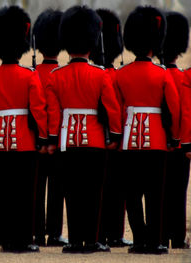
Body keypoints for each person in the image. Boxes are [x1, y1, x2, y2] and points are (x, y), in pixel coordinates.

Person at [46, 5, 122, 254]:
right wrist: (115, 136)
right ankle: (93, 239)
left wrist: (53, 139)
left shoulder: (56, 76)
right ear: (91, 44)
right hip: (96, 141)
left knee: (72, 194)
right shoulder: (100, 75)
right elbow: (112, 109)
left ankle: (74, 240)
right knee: (93, 194)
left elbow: (54, 114)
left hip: (67, 141)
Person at [0, 5, 48, 253]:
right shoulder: (29, 76)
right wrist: (43, 137)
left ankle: (6, 239)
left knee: (3, 193)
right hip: (25, 141)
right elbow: (38, 110)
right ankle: (23, 239)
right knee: (24, 194)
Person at [117, 6, 180, 254]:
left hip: (129, 141)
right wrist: (174, 137)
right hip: (156, 140)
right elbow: (173, 110)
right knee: (155, 195)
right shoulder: (162, 74)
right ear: (155, 43)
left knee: (132, 195)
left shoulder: (121, 75)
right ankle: (154, 240)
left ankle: (140, 238)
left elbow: (117, 109)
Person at [89, 8, 133, 248]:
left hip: (99, 136)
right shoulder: (112, 75)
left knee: (112, 188)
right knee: (113, 188)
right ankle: (111, 232)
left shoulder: (104, 74)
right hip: (108, 135)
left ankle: (109, 232)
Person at [31, 8, 68, 248]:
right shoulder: (62, 75)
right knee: (56, 189)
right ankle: (54, 233)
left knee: (36, 189)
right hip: (56, 141)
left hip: (34, 141)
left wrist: (41, 141)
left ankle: (36, 231)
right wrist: (52, 141)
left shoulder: (32, 73)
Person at [160, 11, 190, 249]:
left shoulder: (156, 75)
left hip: (158, 143)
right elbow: (187, 114)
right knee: (178, 194)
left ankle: (160, 235)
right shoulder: (182, 78)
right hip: (180, 145)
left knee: (158, 194)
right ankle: (178, 238)